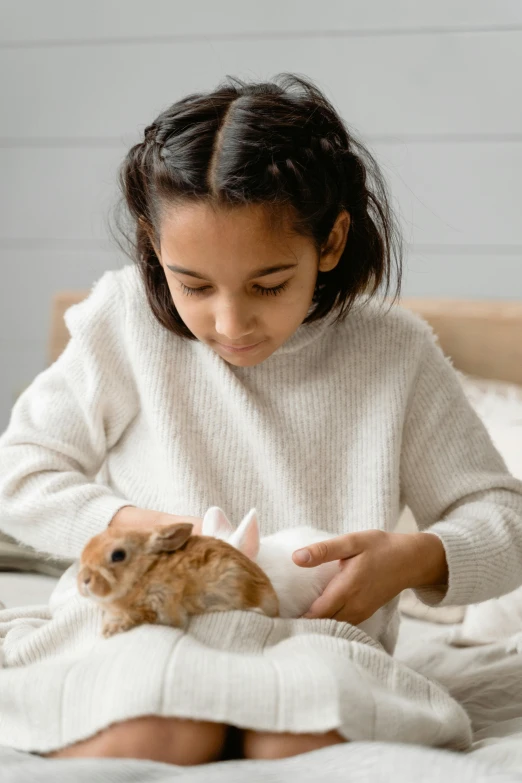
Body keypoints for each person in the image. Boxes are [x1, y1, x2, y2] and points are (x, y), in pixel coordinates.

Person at [0, 73, 521, 765]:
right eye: (193, 285)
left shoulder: (393, 352)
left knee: (298, 739)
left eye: (268, 285)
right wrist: (134, 529)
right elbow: (22, 471)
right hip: (143, 614)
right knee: (156, 730)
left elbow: (501, 515)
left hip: (317, 635)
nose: (230, 322)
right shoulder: (124, 321)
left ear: (331, 242)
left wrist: (411, 559)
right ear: (155, 247)